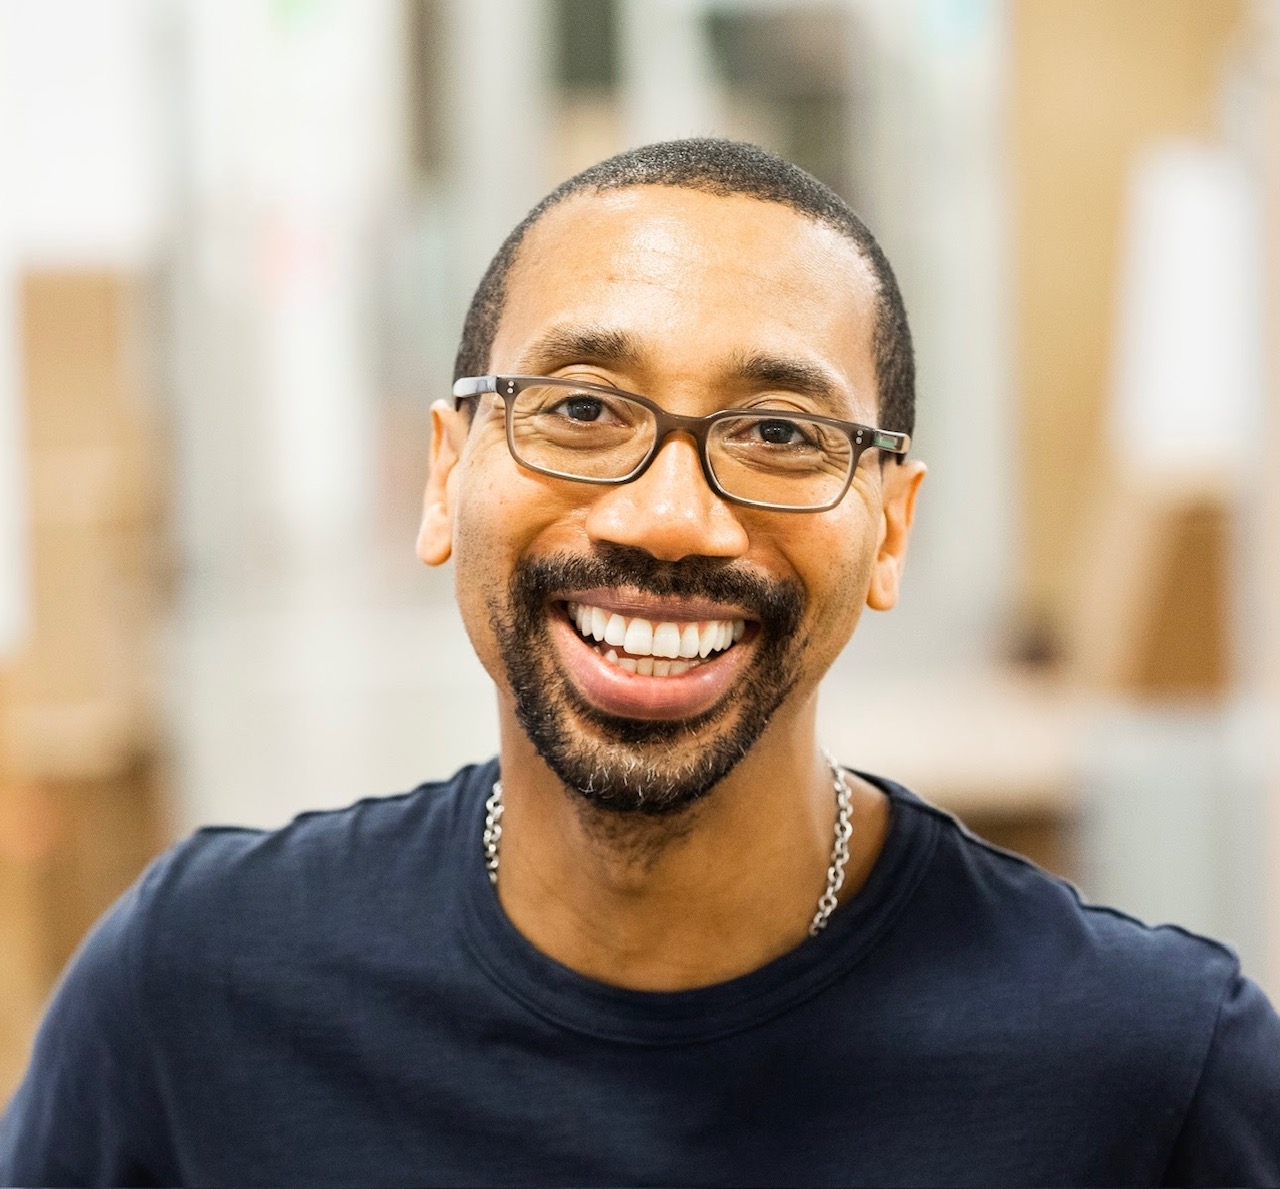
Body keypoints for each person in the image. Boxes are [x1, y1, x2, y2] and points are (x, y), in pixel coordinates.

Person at [2, 138, 1277, 1188]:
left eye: (778, 430)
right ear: (449, 473)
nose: (668, 516)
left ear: (888, 525)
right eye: (580, 410)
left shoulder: (1150, 1069)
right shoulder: (197, 994)